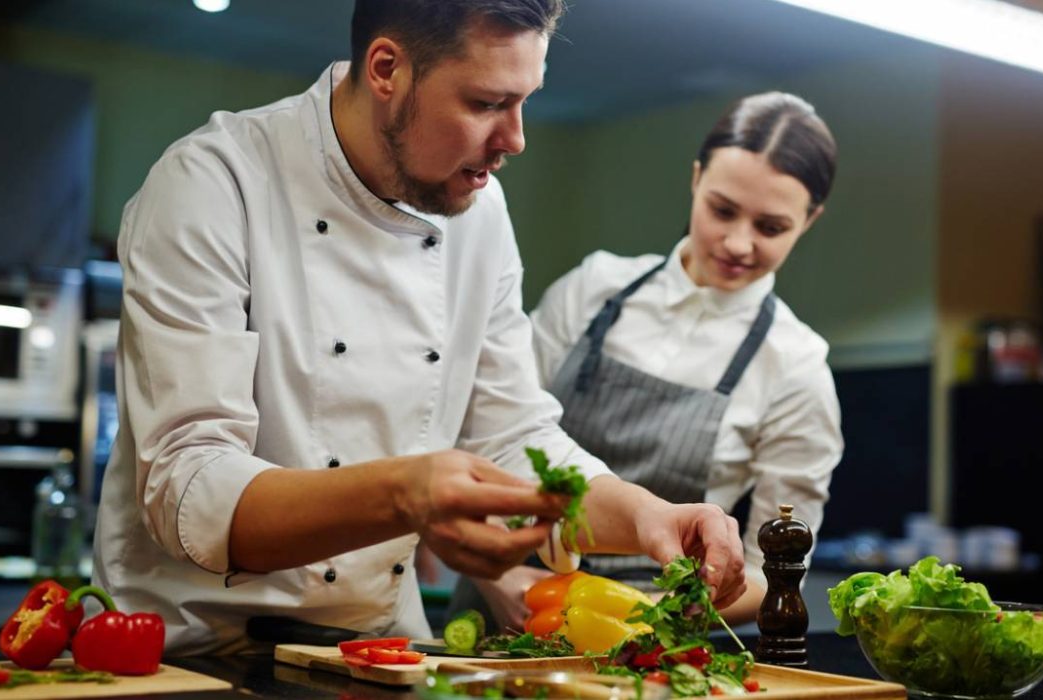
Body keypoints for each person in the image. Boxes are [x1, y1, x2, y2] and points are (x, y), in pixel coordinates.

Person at [92, 0, 747, 656]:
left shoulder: (480, 209)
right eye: (488, 102)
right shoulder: (214, 184)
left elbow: (513, 436)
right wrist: (406, 494)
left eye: (524, 101)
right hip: (193, 655)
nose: (516, 138)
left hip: (375, 653)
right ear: (386, 70)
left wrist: (648, 517)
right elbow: (191, 487)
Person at [454, 91, 842, 630]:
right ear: (695, 179)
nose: (737, 242)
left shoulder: (797, 368)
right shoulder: (593, 290)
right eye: (722, 210)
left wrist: (650, 616)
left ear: (810, 220)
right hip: (501, 597)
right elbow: (484, 435)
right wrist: (494, 578)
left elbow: (774, 571)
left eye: (770, 227)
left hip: (647, 636)